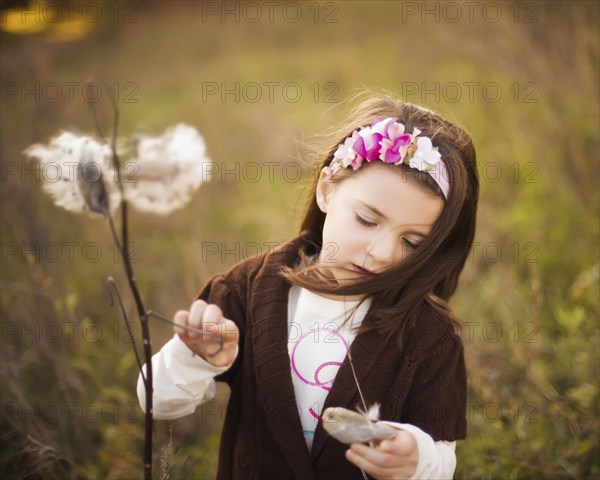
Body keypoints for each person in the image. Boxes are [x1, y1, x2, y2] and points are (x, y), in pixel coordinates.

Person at [137, 91, 479, 480]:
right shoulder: (247, 293)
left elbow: (442, 456)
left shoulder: (428, 334)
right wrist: (192, 357)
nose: (383, 253)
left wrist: (416, 460)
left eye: (412, 242)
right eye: (367, 220)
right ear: (327, 189)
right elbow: (156, 401)